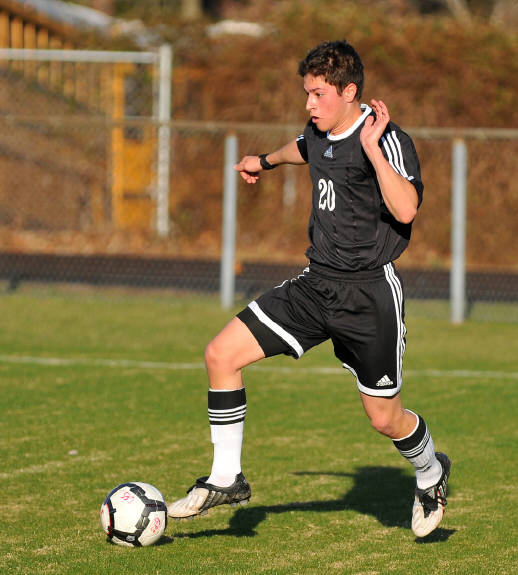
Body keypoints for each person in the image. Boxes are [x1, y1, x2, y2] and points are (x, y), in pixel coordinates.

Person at [167, 40, 451, 538]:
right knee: (221, 355)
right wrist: (262, 161)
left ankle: (430, 471)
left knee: (385, 419)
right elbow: (302, 149)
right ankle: (226, 477)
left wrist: (371, 151)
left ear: (349, 92)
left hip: (368, 296)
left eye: (318, 94)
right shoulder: (317, 131)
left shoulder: (386, 139)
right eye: (307, 93)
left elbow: (406, 209)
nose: (309, 104)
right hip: (316, 284)